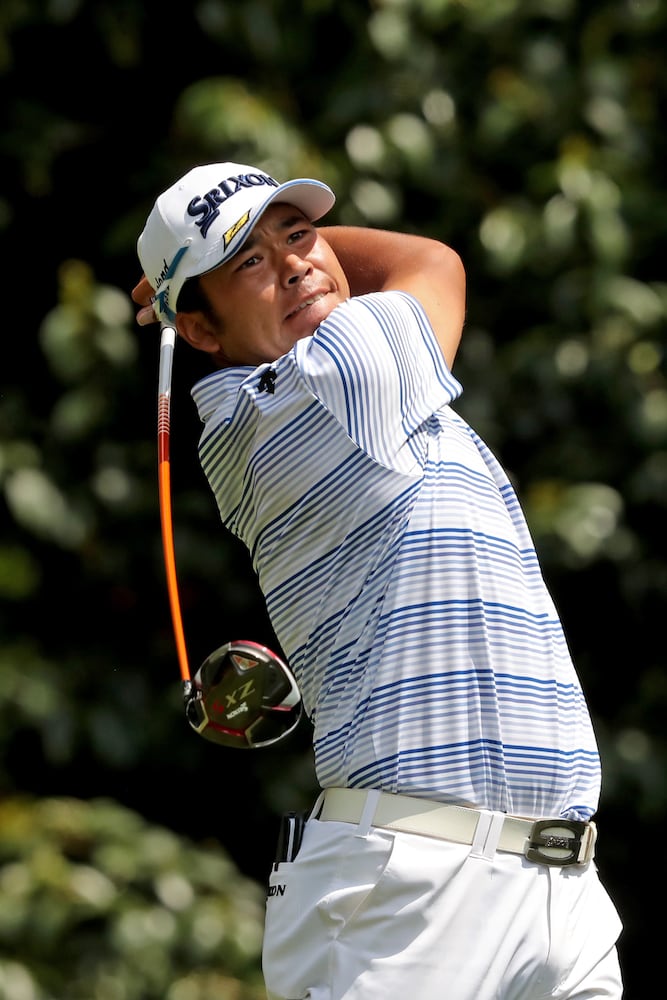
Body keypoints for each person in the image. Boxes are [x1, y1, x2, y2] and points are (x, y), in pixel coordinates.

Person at [132, 161, 623, 999]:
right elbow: (432, 262)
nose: (294, 264)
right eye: (249, 262)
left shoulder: (360, 380)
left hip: (559, 885)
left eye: (298, 234)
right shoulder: (324, 385)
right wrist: (227, 268)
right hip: (413, 893)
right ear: (204, 334)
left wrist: (212, 269)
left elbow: (340, 275)